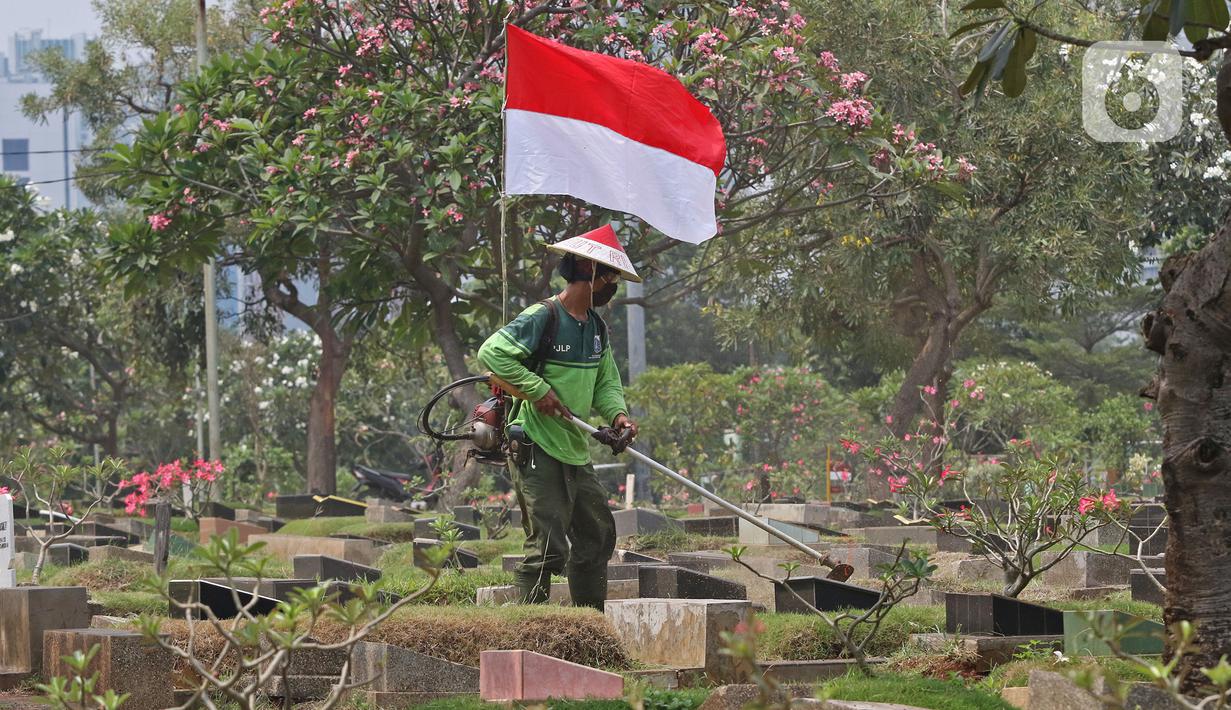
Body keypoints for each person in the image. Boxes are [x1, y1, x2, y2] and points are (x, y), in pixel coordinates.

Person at [476, 224, 640, 610]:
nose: (613, 285)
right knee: (548, 544)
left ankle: (588, 622)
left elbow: (606, 382)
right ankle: (531, 630)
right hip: (534, 442)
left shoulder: (596, 329)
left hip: (573, 447)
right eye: (611, 277)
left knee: (597, 533)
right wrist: (537, 390)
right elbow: (492, 353)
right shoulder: (543, 316)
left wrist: (618, 416)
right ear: (589, 271)